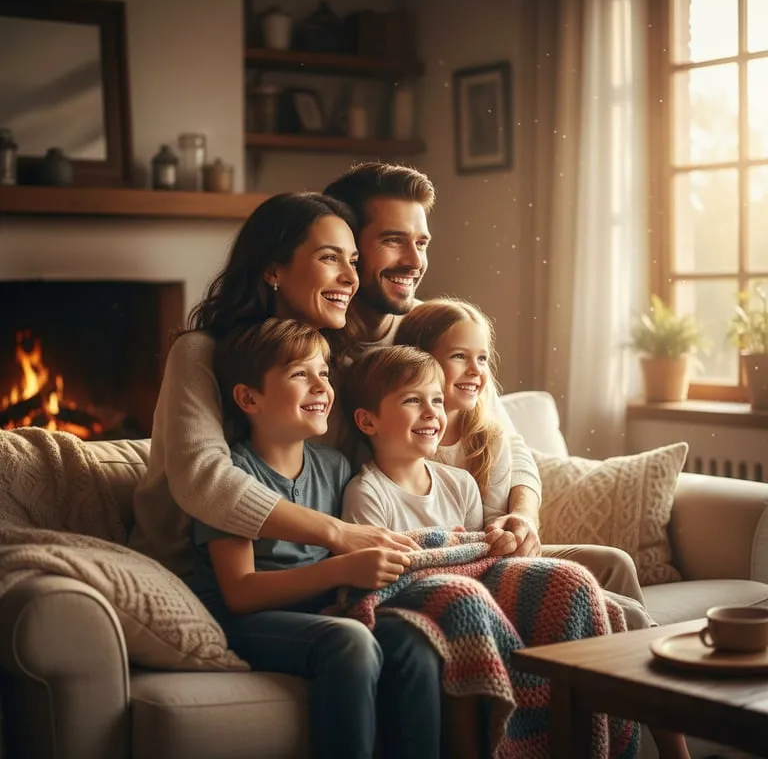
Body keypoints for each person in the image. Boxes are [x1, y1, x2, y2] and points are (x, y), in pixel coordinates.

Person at [131, 191, 443, 759]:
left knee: (420, 632)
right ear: (273, 269)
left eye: (353, 260)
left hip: (313, 590)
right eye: (330, 258)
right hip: (202, 582)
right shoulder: (202, 354)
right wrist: (339, 538)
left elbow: (453, 429)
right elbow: (208, 482)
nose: (351, 275)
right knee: (351, 640)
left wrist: (514, 509)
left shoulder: (339, 369)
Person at [323, 163, 647, 606]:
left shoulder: (439, 329)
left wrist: (523, 517)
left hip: (490, 547)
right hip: (440, 565)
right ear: (350, 246)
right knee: (604, 604)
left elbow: (513, 448)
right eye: (393, 240)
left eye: (421, 243)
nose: (415, 261)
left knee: (613, 564)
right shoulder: (321, 360)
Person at [391, 297, 691, 759]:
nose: (475, 370)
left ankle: (665, 738)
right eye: (459, 357)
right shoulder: (405, 425)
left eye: (483, 358)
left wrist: (524, 517)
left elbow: (521, 458)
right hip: (472, 566)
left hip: (504, 550)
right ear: (418, 359)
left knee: (614, 563)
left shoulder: (482, 416)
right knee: (619, 614)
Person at [190, 318, 411, 758]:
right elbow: (239, 593)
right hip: (247, 621)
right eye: (299, 374)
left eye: (324, 374)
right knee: (349, 642)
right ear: (248, 397)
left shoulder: (335, 468)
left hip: (322, 608)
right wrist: (342, 567)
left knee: (411, 639)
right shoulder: (232, 479)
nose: (320, 386)